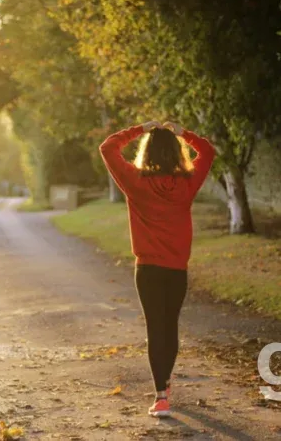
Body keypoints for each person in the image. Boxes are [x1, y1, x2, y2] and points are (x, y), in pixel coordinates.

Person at [99, 120, 216, 418]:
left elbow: (108, 147)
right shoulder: (187, 183)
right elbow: (208, 151)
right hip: (176, 270)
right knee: (170, 325)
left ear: (147, 152)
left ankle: (161, 395)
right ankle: (165, 381)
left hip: (148, 270)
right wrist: (183, 133)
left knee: (155, 328)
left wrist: (140, 129)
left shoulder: (136, 182)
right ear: (176, 152)